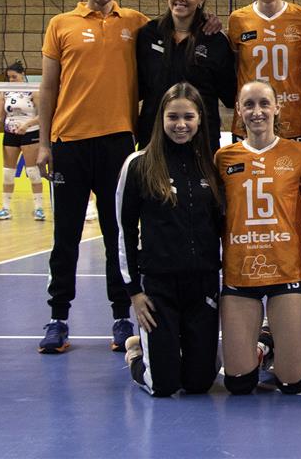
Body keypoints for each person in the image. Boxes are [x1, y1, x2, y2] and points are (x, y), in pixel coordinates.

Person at [36, 0, 147, 355]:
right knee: (65, 235)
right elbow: (48, 87)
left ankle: (121, 316)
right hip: (69, 144)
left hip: (118, 143)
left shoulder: (135, 23)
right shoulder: (60, 24)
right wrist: (44, 143)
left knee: (118, 235)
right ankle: (58, 318)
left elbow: (177, 32)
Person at [214, 80, 301, 395]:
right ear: (238, 110)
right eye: (249, 105)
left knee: (293, 383)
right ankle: (266, 344)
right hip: (240, 274)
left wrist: (284, 218)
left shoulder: (299, 153)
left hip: (285, 272)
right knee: (238, 384)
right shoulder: (223, 158)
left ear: (277, 107)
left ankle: (285, 345)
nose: (257, 111)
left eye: (264, 103)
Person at [116, 82, 224, 397]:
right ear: (161, 119)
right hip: (158, 288)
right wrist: (135, 293)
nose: (180, 125)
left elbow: (220, 227)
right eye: (173, 117)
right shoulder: (139, 164)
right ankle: (137, 355)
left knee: (199, 383)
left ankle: (184, 355)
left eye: (188, 117)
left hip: (202, 286)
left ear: (200, 119)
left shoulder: (210, 166)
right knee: (163, 386)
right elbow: (123, 230)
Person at [139, 0, 235, 151]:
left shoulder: (215, 40)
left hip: (201, 140)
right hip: (153, 138)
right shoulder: (148, 34)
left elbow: (230, 95)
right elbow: (138, 86)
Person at [228, 0, 301, 142]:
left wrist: (297, 91)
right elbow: (237, 66)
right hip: (250, 119)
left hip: (292, 117)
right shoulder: (237, 19)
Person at [0, 61, 45, 221]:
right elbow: (0, 116)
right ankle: (6, 208)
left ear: (22, 75)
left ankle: (39, 209)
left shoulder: (33, 91)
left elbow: (42, 116)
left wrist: (27, 125)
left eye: (14, 77)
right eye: (9, 77)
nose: (11, 80)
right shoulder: (5, 92)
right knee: (7, 173)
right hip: (10, 133)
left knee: (32, 172)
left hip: (29, 133)